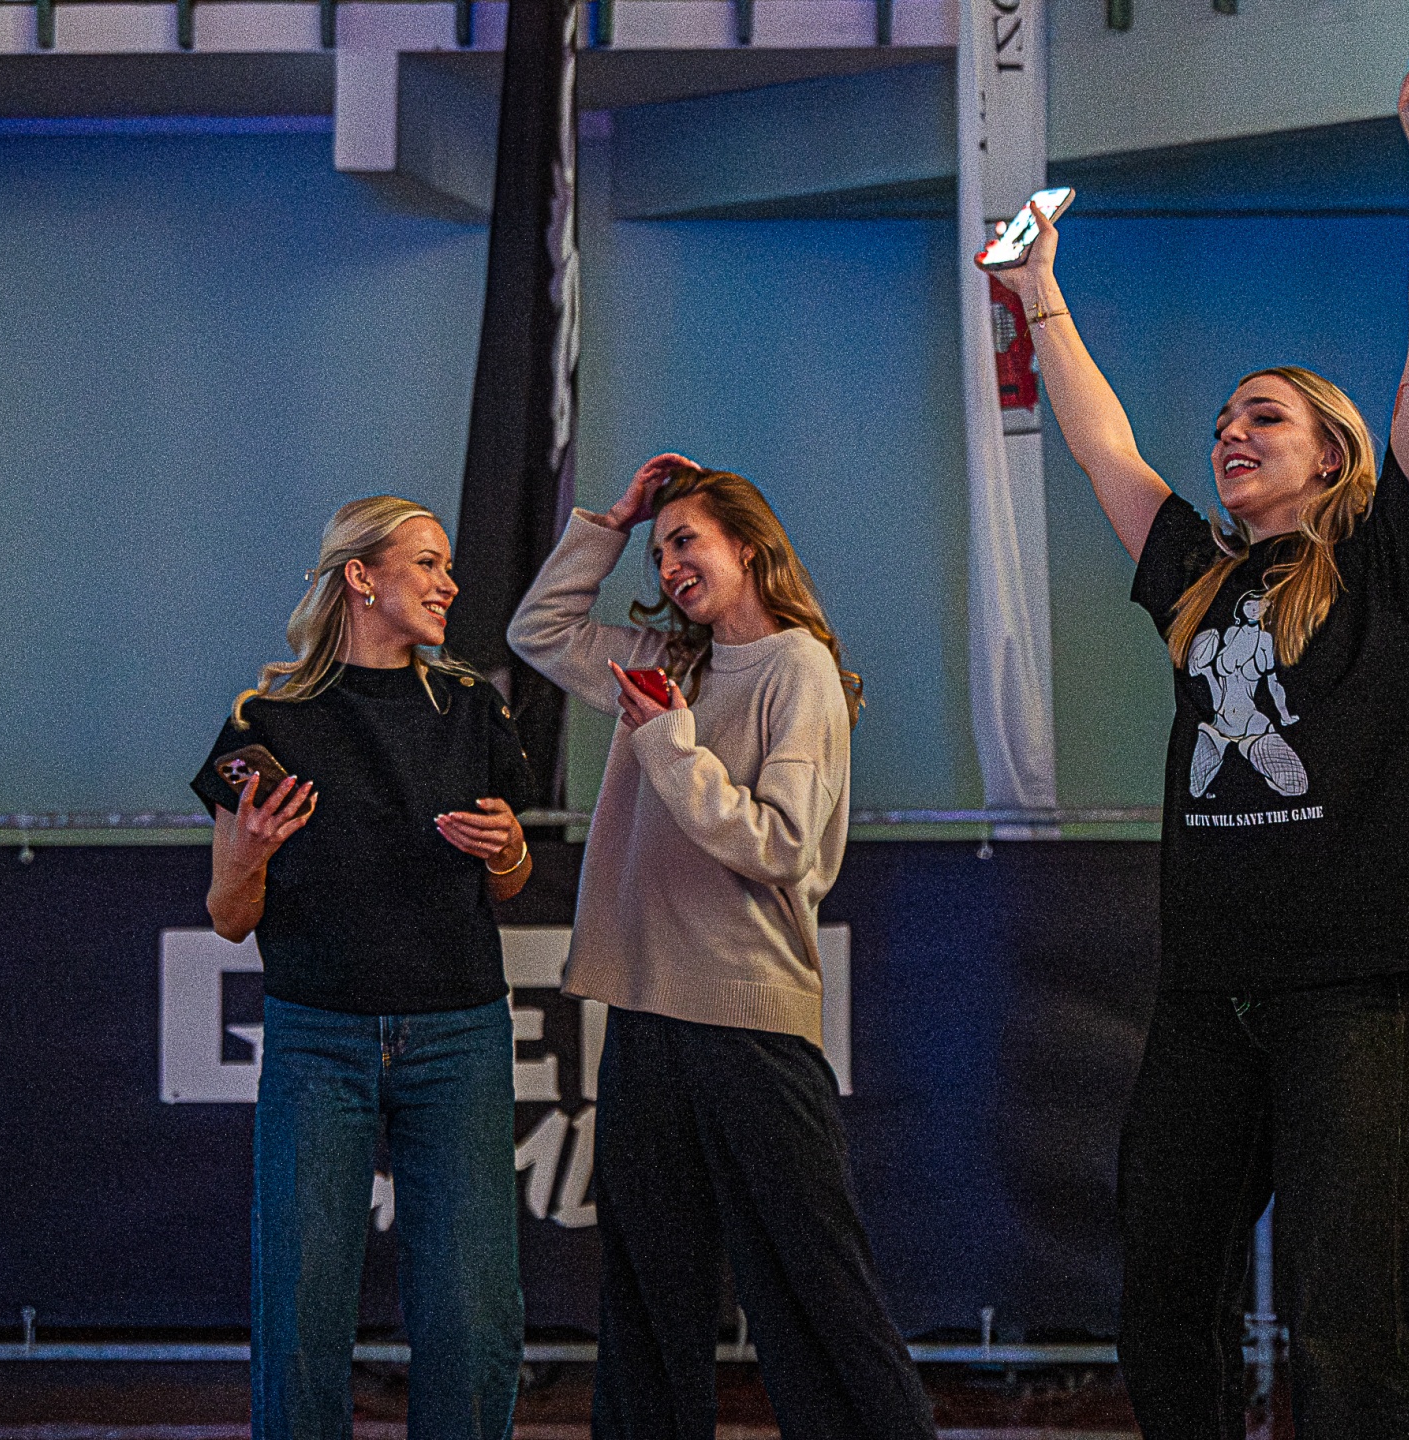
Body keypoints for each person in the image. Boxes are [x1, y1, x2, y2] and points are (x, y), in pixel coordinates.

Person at [991, 54, 1409, 1440]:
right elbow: (1102, 447)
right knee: (1163, 1296)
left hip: (1347, 990)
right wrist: (1037, 290)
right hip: (1208, 991)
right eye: (1220, 424)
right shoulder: (1199, 580)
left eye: (1263, 417)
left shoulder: (1391, 563)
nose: (1230, 435)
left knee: (1341, 1320)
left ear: (1333, 454)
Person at [509, 457, 936, 1440]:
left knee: (812, 1285)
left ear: (748, 545)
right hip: (647, 1016)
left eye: (685, 540)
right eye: (659, 551)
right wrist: (612, 523)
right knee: (647, 1294)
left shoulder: (798, 667)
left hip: (748, 1023)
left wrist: (669, 745)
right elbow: (539, 633)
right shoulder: (671, 665)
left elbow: (781, 844)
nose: (669, 564)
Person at [190, 495, 536, 1440]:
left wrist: (507, 849)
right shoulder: (264, 723)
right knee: (301, 1307)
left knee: (474, 1308)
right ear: (360, 577)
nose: (448, 584)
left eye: (448, 566)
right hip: (317, 1037)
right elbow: (228, 919)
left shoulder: (472, 708)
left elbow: (511, 882)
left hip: (459, 1036)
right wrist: (248, 858)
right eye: (427, 563)